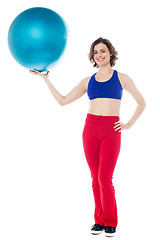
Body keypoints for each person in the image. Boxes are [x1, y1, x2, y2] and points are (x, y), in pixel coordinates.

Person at [30, 37, 146, 237]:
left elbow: (142, 102)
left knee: (104, 178)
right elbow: (63, 101)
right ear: (93, 57)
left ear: (110, 53)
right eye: (95, 52)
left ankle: (111, 222)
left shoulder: (122, 78)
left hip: (111, 130)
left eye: (102, 51)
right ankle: (99, 221)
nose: (99, 55)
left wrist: (128, 124)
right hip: (90, 129)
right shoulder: (87, 81)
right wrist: (46, 79)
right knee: (95, 178)